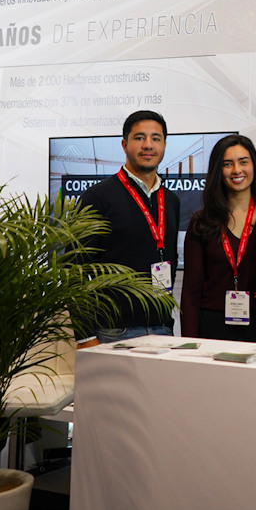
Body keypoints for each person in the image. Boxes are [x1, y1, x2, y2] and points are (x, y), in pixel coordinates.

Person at [79, 110, 180, 343]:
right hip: (113, 331)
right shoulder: (97, 197)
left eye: (156, 138)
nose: (148, 145)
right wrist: (84, 336)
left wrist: (167, 321)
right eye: (139, 138)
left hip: (162, 329)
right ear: (124, 145)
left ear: (164, 145)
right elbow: (76, 269)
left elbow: (170, 259)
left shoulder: (171, 200)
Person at [180, 134, 256, 340]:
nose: (236, 170)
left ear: (254, 165)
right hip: (213, 327)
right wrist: (189, 341)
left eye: (243, 162)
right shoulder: (202, 221)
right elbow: (191, 290)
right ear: (218, 170)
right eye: (227, 164)